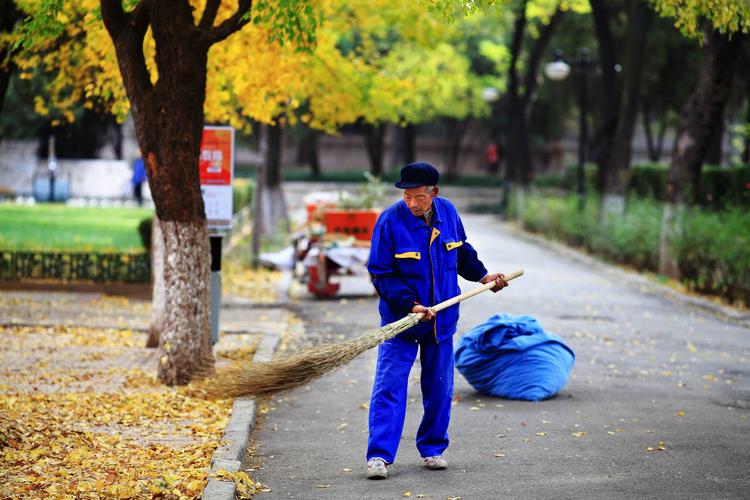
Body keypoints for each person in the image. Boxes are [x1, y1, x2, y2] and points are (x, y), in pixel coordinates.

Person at [365, 162, 508, 480]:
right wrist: (410, 304)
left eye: (418, 197)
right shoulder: (390, 221)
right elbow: (381, 272)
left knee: (440, 387)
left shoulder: (449, 213)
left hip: (441, 321)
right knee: (389, 387)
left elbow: (462, 253)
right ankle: (379, 456)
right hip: (400, 322)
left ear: (434, 193)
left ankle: (432, 449)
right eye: (406, 197)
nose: (412, 203)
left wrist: (484, 276)